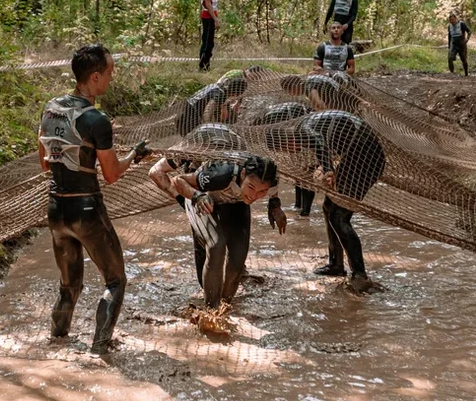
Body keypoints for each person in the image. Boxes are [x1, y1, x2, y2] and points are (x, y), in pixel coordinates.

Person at [38, 44, 150, 354]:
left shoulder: (50, 108)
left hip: (56, 210)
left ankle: (57, 342)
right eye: (110, 74)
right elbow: (112, 174)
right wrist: (134, 156)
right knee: (115, 281)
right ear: (95, 77)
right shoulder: (96, 120)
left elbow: (45, 162)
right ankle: (100, 351)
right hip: (87, 211)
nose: (111, 80)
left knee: (68, 286)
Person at [266, 110, 385, 293]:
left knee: (339, 216)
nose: (291, 152)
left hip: (364, 155)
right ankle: (336, 264)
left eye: (285, 149)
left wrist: (329, 170)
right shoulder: (305, 126)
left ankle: (360, 275)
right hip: (357, 153)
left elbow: (320, 143)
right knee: (329, 207)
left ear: (285, 141)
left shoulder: (303, 130)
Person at [159, 155, 286, 308]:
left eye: (261, 192)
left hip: (234, 201)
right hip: (202, 197)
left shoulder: (270, 180)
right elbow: (178, 180)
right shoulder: (221, 174)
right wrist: (197, 197)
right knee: (216, 245)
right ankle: (211, 310)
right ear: (243, 174)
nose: (254, 196)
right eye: (251, 187)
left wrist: (275, 206)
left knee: (238, 258)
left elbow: (272, 191)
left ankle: (224, 308)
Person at [149, 123, 246, 290]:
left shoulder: (237, 156)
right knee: (217, 249)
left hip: (223, 196)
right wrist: (186, 198)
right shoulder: (189, 149)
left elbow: (155, 172)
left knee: (225, 251)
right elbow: (156, 172)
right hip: (203, 194)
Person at [254, 101, 314, 215]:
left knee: (306, 174)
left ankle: (305, 212)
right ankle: (298, 206)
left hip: (301, 134)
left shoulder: (270, 118)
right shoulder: (270, 120)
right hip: (294, 133)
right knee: (300, 173)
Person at [176, 74, 250, 136]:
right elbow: (209, 108)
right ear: (237, 93)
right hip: (190, 118)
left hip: (185, 111)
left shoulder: (217, 86)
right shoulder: (220, 95)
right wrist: (207, 126)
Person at [199, 0, 219, 71]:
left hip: (209, 16)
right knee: (207, 43)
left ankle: (206, 65)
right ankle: (203, 66)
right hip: (208, 17)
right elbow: (208, 4)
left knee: (209, 42)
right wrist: (215, 19)